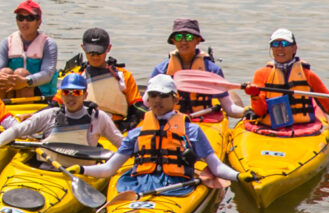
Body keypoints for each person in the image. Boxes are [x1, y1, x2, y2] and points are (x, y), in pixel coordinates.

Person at [89, 75, 236, 196]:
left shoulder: (192, 131)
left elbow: (216, 167)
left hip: (178, 188)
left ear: (175, 100)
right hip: (139, 186)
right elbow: (109, 169)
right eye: (153, 95)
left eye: (164, 96)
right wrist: (81, 169)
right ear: (148, 100)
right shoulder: (135, 134)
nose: (158, 100)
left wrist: (239, 176)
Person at [0, 71, 122, 155]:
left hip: (82, 170)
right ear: (61, 94)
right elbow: (16, 130)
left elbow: (121, 144)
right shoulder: (50, 115)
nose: (71, 98)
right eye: (66, 92)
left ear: (85, 95)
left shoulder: (98, 118)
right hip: (49, 168)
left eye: (76, 93)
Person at [249, 30, 329, 132]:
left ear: (294, 48)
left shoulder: (307, 75)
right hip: (270, 129)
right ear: (271, 48)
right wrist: (254, 96)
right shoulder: (261, 74)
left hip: (303, 130)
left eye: (284, 44)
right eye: (275, 44)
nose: (279, 48)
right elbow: (259, 112)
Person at [150, 18, 231, 127]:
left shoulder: (212, 70)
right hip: (171, 120)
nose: (183, 42)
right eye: (179, 37)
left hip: (204, 119)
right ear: (173, 41)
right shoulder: (161, 70)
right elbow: (148, 103)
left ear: (197, 40)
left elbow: (229, 107)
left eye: (189, 37)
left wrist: (247, 111)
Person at [60, 26, 143, 123]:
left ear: (108, 48)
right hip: (84, 126)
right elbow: (56, 103)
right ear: (83, 48)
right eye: (91, 52)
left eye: (99, 52)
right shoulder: (75, 77)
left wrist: (131, 122)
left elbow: (138, 106)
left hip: (116, 127)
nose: (95, 56)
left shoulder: (124, 76)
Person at [0, 0, 61, 102]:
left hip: (41, 95)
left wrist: (26, 81)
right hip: (12, 91)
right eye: (20, 18)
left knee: (21, 73)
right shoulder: (7, 42)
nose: (24, 22)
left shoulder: (49, 44)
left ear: (39, 22)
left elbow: (47, 74)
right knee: (4, 72)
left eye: (30, 18)